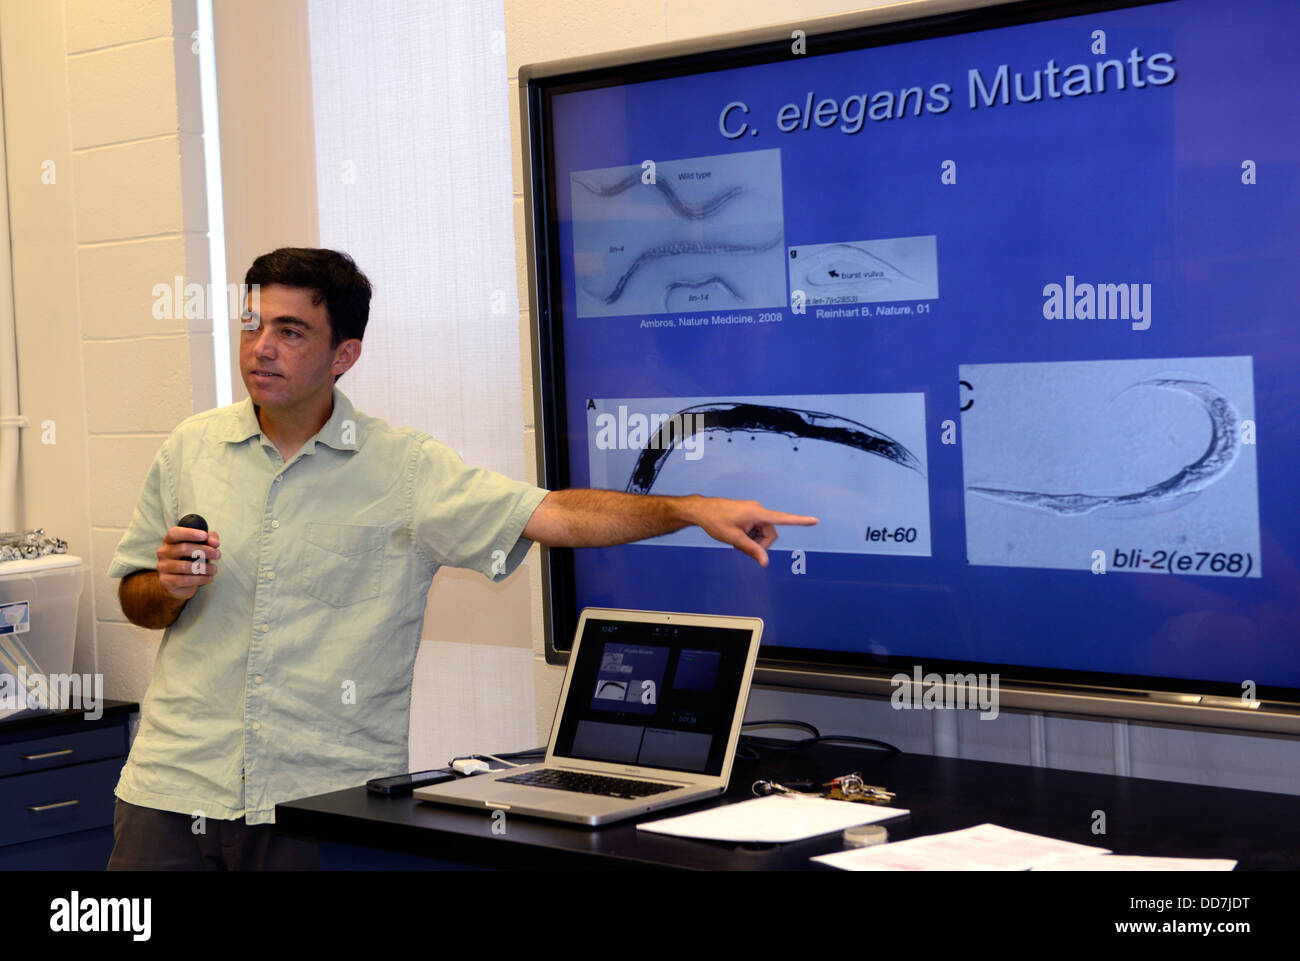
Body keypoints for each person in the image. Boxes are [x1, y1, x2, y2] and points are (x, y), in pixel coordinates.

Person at [105, 248, 816, 870]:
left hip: (318, 803)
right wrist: (167, 587)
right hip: (169, 794)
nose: (261, 346)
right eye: (253, 325)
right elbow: (136, 597)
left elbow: (553, 514)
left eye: (290, 331)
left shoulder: (406, 470)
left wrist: (686, 508)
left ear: (344, 354)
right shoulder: (191, 448)